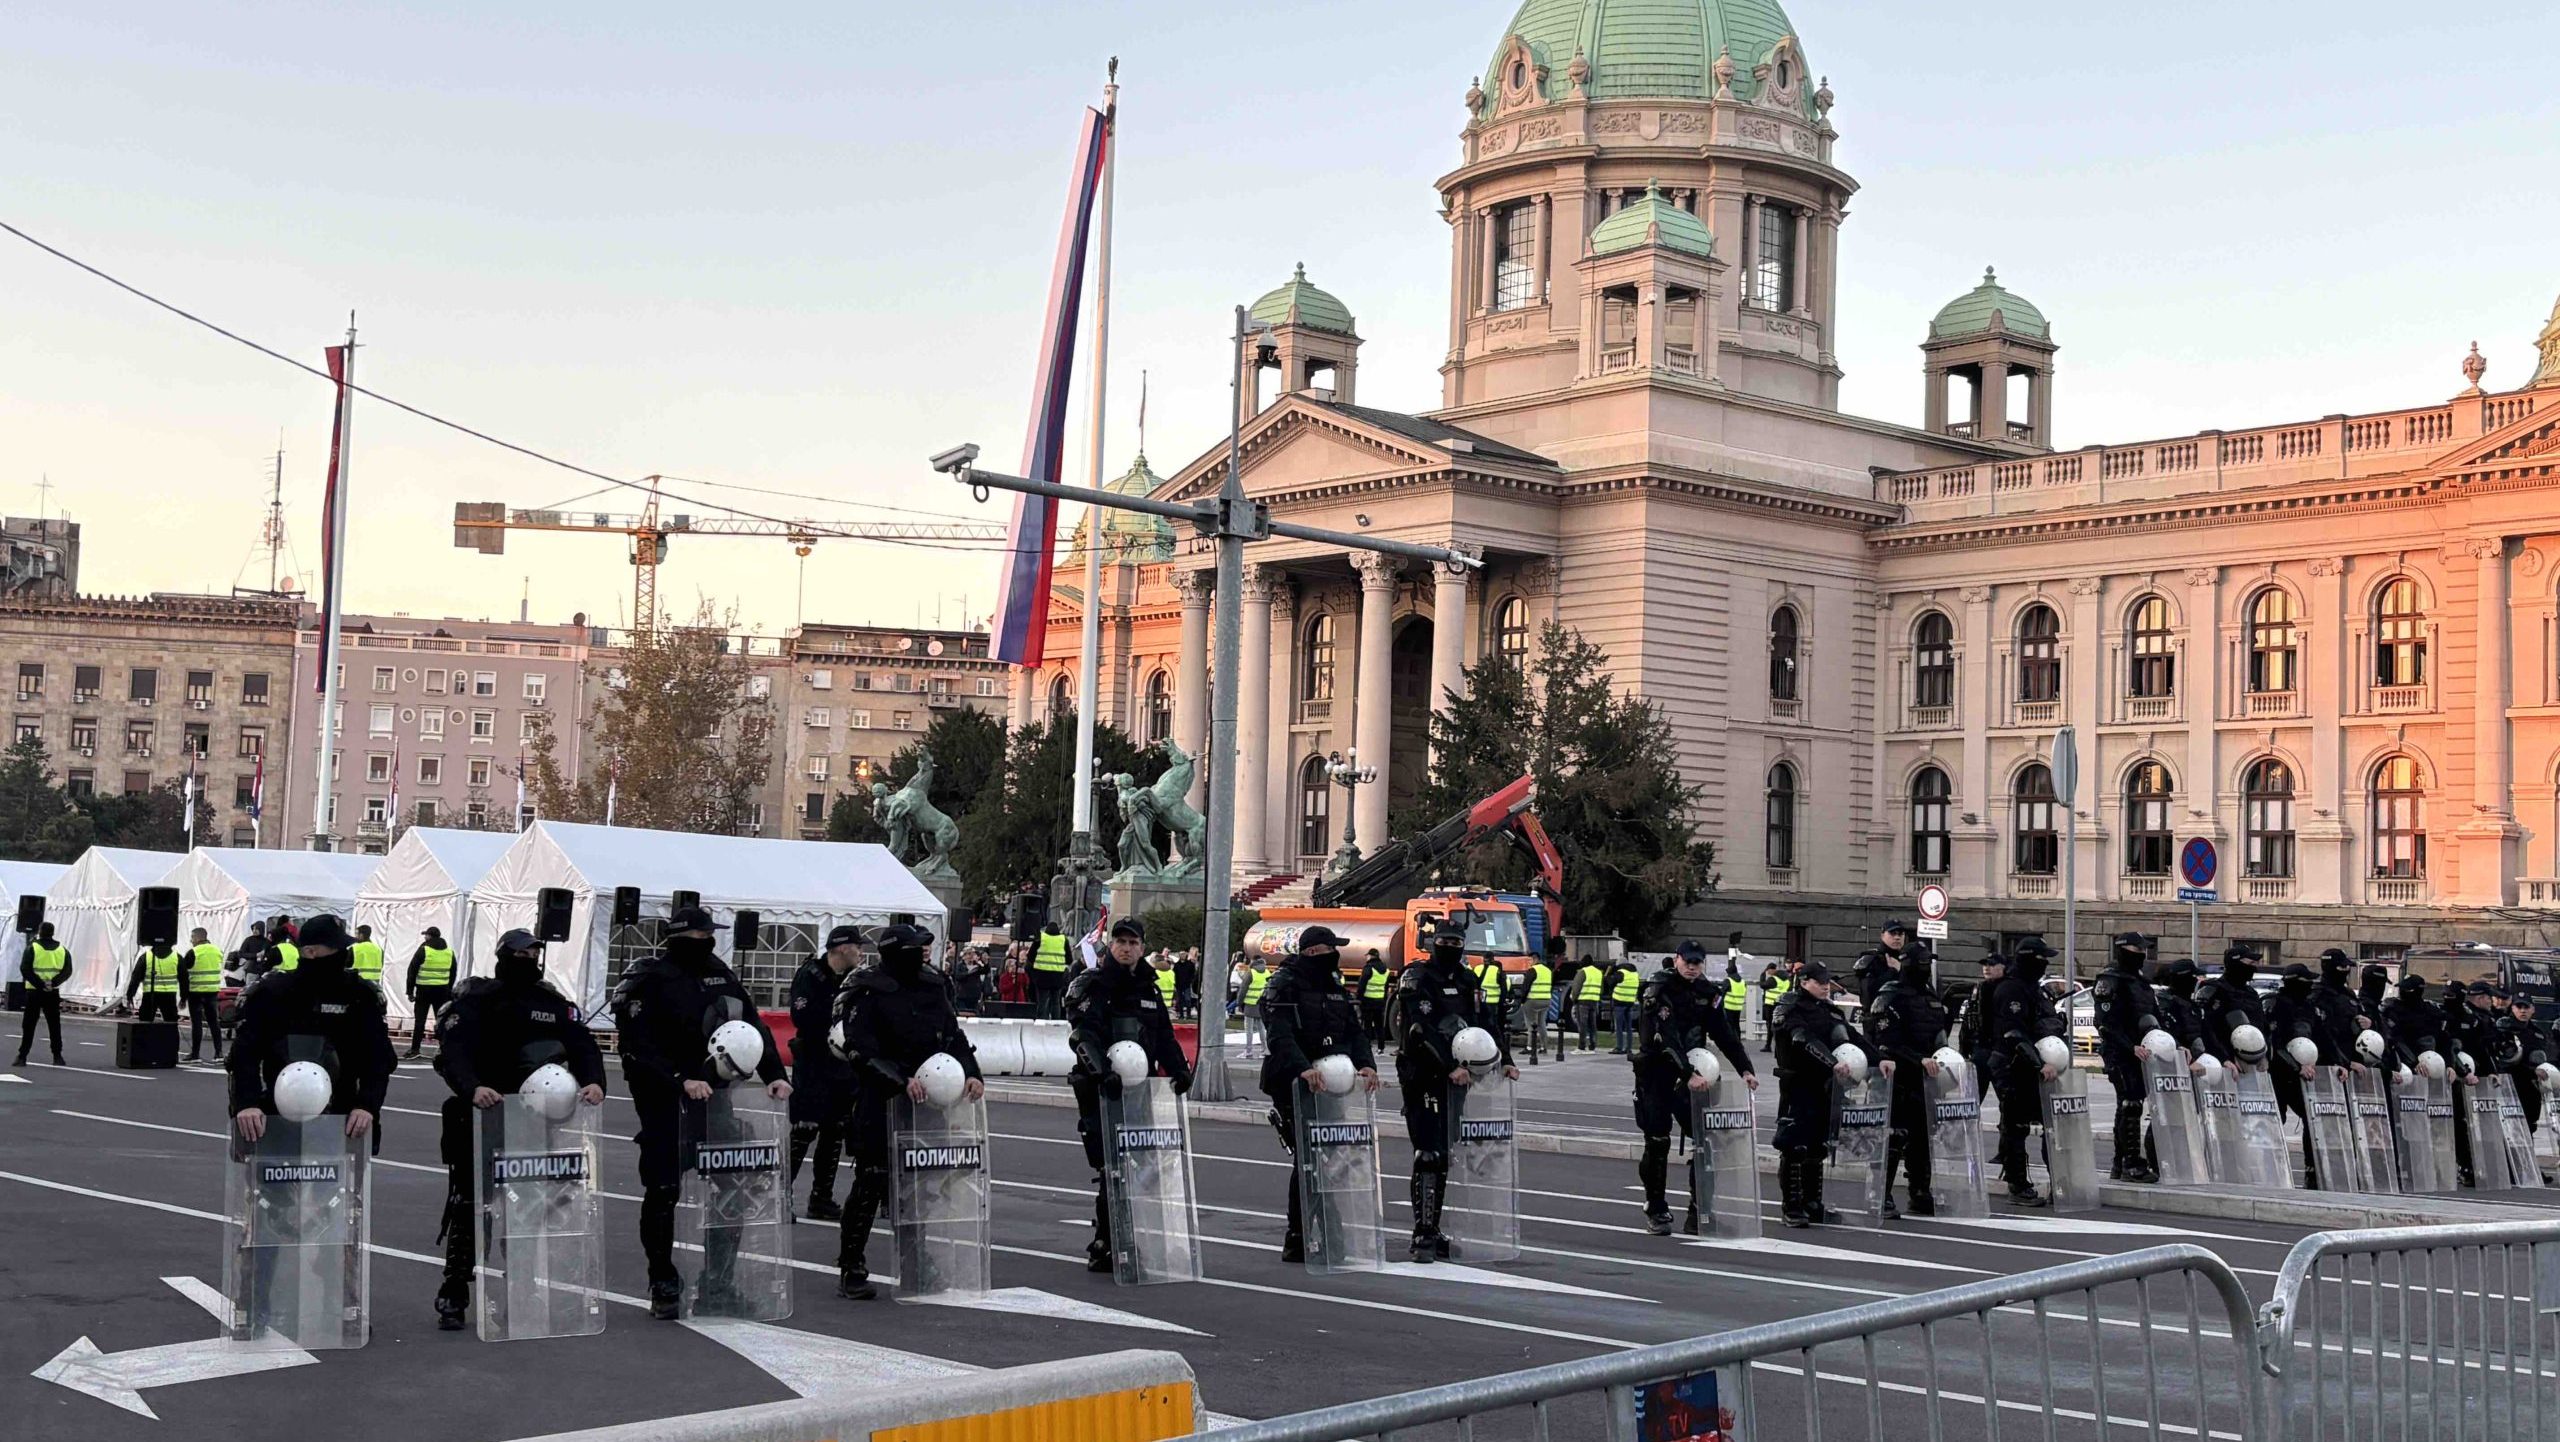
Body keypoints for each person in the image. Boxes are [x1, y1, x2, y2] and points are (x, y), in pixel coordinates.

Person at [609, 906, 789, 1320]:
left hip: (716, 1100)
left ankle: (718, 1284)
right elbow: (636, 1047)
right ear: (681, 936)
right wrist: (680, 1080)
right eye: (701, 935)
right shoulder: (651, 979)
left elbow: (752, 1026)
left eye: (710, 935)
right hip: (665, 1102)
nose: (708, 941)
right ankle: (663, 1281)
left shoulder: (720, 973)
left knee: (733, 1188)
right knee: (663, 1192)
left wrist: (775, 1074)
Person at [428, 928, 606, 1330]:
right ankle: (455, 1291)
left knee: (527, 1208)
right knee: (471, 1206)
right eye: (520, 953)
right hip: (483, 1115)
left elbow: (582, 1045)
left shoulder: (551, 1003)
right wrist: (473, 1087)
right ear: (504, 955)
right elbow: (454, 1050)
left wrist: (594, 1081)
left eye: (533, 953)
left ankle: (523, 1287)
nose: (528, 959)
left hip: (534, 1121)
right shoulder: (478, 999)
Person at [830, 923, 982, 1298]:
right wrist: (899, 1080)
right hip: (881, 1097)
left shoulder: (932, 985)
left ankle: (916, 1262)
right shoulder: (869, 989)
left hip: (929, 1100)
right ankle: (852, 1265)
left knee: (918, 1187)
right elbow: (859, 1048)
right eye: (913, 949)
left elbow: (953, 1035)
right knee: (871, 1182)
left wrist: (971, 1072)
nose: (921, 955)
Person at [1065, 918, 1191, 1272]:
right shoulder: (1094, 984)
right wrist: (1101, 1072)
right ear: (1111, 945)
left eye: (1133, 943)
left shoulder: (1149, 988)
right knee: (1111, 1168)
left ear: (1142, 948)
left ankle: (1131, 1236)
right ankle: (1108, 1241)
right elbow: (1082, 1035)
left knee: (1140, 1166)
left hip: (1140, 1090)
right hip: (1102, 1088)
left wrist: (1179, 1069)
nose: (1126, 948)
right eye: (1120, 941)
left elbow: (1163, 1036)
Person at [1393, 927, 1519, 1261]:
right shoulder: (1418, 976)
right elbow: (1418, 1029)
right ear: (1433, 943)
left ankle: (1434, 1229)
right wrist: (1448, 1065)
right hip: (1423, 1073)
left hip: (1459, 1078)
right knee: (1428, 1153)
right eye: (1444, 942)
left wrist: (1504, 1059)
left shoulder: (1467, 979)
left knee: (1444, 1153)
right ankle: (1422, 1233)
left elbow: (1485, 1022)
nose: (1450, 947)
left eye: (1456, 943)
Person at [1257, 924, 1376, 1262]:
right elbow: (1279, 1035)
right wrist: (1302, 1068)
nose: (1335, 955)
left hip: (1333, 1086)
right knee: (1309, 1159)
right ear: (1312, 952)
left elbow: (1354, 1032)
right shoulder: (1284, 984)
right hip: (1295, 1083)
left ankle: (1318, 1236)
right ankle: (1306, 1235)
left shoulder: (1335, 987)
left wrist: (1366, 1065)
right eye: (1330, 949)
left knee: (1325, 1159)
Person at [225, 913, 396, 1144]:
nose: (343, 954)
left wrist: (367, 1105)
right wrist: (247, 1103)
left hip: (342, 1116)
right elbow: (244, 1052)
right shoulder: (273, 993)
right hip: (276, 1114)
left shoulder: (359, 996)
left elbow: (379, 1058)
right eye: (336, 948)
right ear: (310, 951)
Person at [1633, 941, 1756, 1234]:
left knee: (1707, 1140)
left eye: (1697, 962)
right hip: (1658, 1073)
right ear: (1677, 960)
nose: (1692, 967)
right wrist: (1686, 1073)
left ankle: (1701, 1213)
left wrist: (1745, 1068)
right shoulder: (1659, 990)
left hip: (1697, 1075)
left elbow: (1724, 1033)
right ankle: (1656, 1209)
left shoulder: (1706, 992)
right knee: (1658, 1141)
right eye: (1687, 961)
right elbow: (1665, 1038)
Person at [785, 926, 863, 1220]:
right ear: (842, 948)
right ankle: (781, 1195)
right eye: (857, 947)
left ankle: (821, 1197)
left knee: (835, 1130)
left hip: (842, 1065)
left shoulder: (854, 979)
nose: (861, 952)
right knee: (805, 1129)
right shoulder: (811, 975)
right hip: (814, 1061)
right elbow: (802, 1016)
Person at [1868, 940, 1951, 1215]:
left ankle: (1920, 1191)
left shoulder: (1929, 996)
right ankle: (1881, 1195)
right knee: (1893, 1137)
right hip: (1898, 1075)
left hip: (1927, 1077)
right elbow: (1885, 1042)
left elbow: (1938, 1034)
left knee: (1923, 1136)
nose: (1927, 968)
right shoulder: (1891, 995)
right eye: (1923, 963)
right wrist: (1918, 1060)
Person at [1771, 960, 1854, 1227]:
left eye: (1827, 982)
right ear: (1804, 982)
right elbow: (1801, 1038)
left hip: (1825, 1084)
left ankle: (1812, 1202)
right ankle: (1792, 1206)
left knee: (1818, 1144)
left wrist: (1879, 1059)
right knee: (1794, 1144)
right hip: (1797, 1083)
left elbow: (1851, 1037)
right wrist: (1832, 1061)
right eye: (1820, 982)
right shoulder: (1790, 1006)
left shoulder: (1828, 1010)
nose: (1826, 986)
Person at [1986, 935, 2062, 1205]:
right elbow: (2013, 1033)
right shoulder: (2011, 989)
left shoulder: (2035, 989)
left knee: (2051, 1125)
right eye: (2041, 959)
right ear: (2030, 959)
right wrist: (2039, 1063)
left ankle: (2059, 1182)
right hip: (2013, 1065)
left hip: (2037, 1066)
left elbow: (2046, 1022)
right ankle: (2017, 1185)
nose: (2045, 964)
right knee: (2016, 1126)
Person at [2091, 932, 2161, 1183]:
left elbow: (2153, 1017)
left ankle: (2119, 1163)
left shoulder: (2140, 983)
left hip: (2143, 1051)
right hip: (2120, 1052)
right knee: (2130, 1104)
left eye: (2144, 950)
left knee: (2129, 1105)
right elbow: (2105, 1023)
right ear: (2123, 950)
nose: (2142, 954)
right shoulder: (2111, 980)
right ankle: (2131, 1163)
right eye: (2137, 949)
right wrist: (2130, 1047)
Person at [15, 921, 70, 1066]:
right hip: (52, 992)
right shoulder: (62, 950)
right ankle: (57, 1056)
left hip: (34, 992)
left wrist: (39, 984)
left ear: (39, 932)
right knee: (54, 1025)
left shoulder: (32, 948)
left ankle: (22, 1056)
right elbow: (67, 970)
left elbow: (25, 969)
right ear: (53, 933)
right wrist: (53, 983)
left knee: (29, 1025)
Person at [404, 925, 458, 1058]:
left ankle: (415, 1049)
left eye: (426, 935)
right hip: (442, 991)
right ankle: (445, 1049)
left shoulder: (424, 950)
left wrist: (410, 991)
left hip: (424, 991)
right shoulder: (449, 952)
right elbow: (453, 972)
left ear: (429, 936)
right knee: (442, 1021)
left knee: (420, 1021)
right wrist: (449, 989)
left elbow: (412, 971)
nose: (425, 937)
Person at [2503, 992, 2552, 1134]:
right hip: (2510, 1083)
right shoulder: (2503, 1027)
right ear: (2512, 1008)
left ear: (2533, 1009)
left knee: (2530, 1125)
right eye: (2519, 1007)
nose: (2522, 1011)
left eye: (2526, 1007)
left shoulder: (2538, 1033)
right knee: (2509, 1126)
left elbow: (2543, 1058)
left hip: (2531, 1086)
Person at [1960, 950, 2007, 1097]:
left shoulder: (2009, 989)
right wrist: (1964, 1046)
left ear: (2003, 967)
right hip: (1980, 1049)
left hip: (2000, 1051)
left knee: (2007, 1097)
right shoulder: (1979, 988)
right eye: (1985, 965)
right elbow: (1969, 1018)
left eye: (1992, 965)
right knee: (1972, 1096)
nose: (1987, 968)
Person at [2381, 973, 2445, 1072]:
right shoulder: (2393, 1009)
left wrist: (2449, 1065)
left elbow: (2442, 1039)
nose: (2401, 992)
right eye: (2401, 989)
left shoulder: (2430, 1011)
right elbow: (2395, 1039)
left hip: (2429, 1064)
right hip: (2403, 1065)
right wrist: (2414, 1062)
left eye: (2405, 989)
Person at [182, 926, 228, 1061]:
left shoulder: (193, 952)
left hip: (195, 992)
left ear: (198, 938)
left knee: (197, 1024)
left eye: (192, 937)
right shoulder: (217, 950)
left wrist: (183, 996)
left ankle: (195, 1054)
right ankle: (219, 1053)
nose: (191, 940)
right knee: (214, 1022)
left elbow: (184, 972)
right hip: (212, 991)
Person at [122, 935, 183, 1025]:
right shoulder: (177, 957)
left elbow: (136, 978)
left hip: (150, 995)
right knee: (171, 1025)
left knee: (145, 1024)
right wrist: (184, 997)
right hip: (169, 996)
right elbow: (184, 979)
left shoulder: (146, 957)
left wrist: (130, 995)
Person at [1853, 921, 1910, 1015]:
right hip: (1880, 1017)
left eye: (1900, 934)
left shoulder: (1909, 959)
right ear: (1882, 935)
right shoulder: (1872, 959)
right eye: (1892, 933)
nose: (1897, 937)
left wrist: (1901, 970)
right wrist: (1893, 971)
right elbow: (1868, 996)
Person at [1516, 943, 1555, 1064]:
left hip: (1532, 1001)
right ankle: (1544, 1047)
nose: (1529, 963)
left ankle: (1529, 1047)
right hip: (1546, 1000)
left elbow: (1525, 987)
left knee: (1530, 1025)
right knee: (1542, 1024)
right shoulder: (1548, 971)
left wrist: (1522, 1001)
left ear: (1534, 959)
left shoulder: (1532, 971)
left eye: (1530, 960)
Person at [1029, 920, 1071, 1019]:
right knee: (1056, 1002)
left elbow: (1030, 956)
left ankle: (1041, 1021)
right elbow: (1069, 959)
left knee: (1042, 1001)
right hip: (1057, 976)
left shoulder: (1041, 938)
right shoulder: (1063, 939)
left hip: (1042, 975)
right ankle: (1056, 1021)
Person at [1357, 948, 1395, 1049]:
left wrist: (1359, 998)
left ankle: (1367, 1045)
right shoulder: (1385, 969)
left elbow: (1362, 985)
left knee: (1367, 1025)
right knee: (1379, 1025)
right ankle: (1381, 1047)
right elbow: (1386, 987)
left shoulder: (1368, 968)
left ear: (1371, 956)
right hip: (1380, 1002)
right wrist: (1384, 999)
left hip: (1368, 1001)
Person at [1606, 950, 1642, 1055]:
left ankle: (1619, 1047)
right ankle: (1628, 1048)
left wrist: (1608, 974)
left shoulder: (1621, 973)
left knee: (1619, 1027)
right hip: (1630, 1002)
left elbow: (1610, 983)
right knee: (1629, 1027)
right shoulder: (1634, 973)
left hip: (1619, 1002)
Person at [1572, 953, 1604, 1053]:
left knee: (1582, 1024)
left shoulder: (1583, 972)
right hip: (1594, 1001)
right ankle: (1592, 1045)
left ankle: (1581, 1046)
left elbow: (1576, 988)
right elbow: (1601, 989)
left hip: (1583, 1001)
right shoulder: (1598, 972)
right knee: (1592, 1024)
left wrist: (1574, 999)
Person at [348, 924, 385, 992]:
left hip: (359, 983)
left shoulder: (355, 948)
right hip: (375, 984)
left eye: (357, 934)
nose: (355, 936)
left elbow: (347, 965)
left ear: (361, 935)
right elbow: (382, 964)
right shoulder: (379, 949)